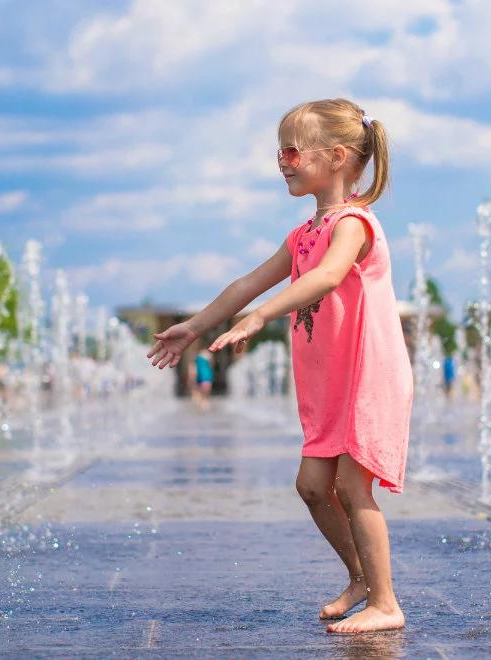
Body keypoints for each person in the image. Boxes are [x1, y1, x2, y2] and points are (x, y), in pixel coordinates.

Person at [146, 99, 411, 634]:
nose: (281, 161)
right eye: (279, 151)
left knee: (355, 488)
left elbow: (330, 277)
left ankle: (386, 602)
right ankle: (361, 576)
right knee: (313, 487)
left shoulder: (354, 224)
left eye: (291, 151)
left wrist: (262, 316)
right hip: (329, 382)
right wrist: (195, 326)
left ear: (336, 157)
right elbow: (247, 284)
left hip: (366, 377)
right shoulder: (302, 235)